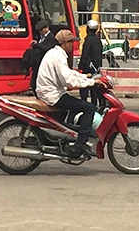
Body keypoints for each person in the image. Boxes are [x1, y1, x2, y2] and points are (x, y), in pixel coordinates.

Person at [36, 29, 104, 158]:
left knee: (74, 107)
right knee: (89, 108)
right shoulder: (58, 56)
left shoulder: (55, 53)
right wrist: (91, 83)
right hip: (52, 95)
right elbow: (68, 80)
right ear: (65, 43)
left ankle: (69, 137)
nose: (73, 45)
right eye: (71, 42)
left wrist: (87, 76)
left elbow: (69, 73)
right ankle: (80, 144)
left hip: (52, 92)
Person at [78, 19, 103, 107]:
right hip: (96, 68)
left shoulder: (88, 41)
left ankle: (83, 106)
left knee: (84, 89)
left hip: (87, 69)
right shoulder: (98, 41)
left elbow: (85, 55)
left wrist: (81, 66)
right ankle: (94, 106)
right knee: (94, 91)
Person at [27, 20, 57, 92]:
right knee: (34, 82)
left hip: (43, 62)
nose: (40, 32)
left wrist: (37, 44)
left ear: (46, 28)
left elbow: (47, 48)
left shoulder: (51, 37)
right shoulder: (41, 37)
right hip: (37, 62)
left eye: (41, 30)